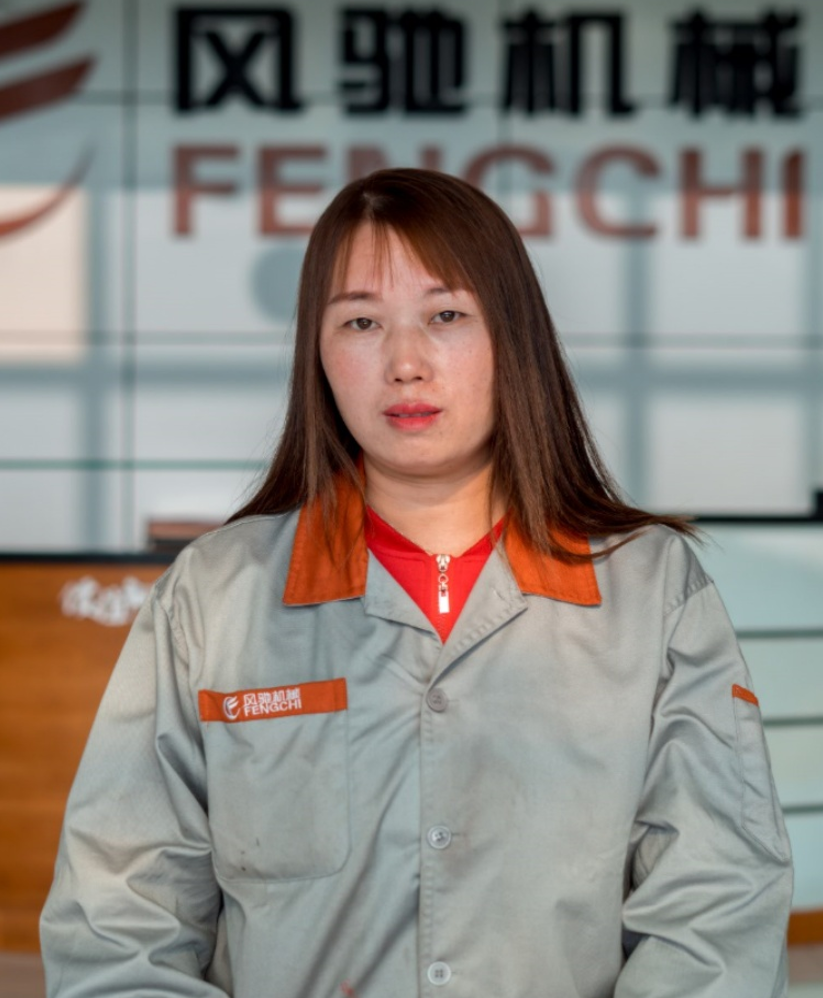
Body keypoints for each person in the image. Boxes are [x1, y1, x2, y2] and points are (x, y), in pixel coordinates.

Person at [41, 169, 792, 998]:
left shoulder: (650, 590)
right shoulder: (215, 596)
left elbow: (716, 906)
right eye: (360, 322)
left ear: (513, 336)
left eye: (445, 316)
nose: (405, 363)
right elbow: (119, 918)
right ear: (318, 353)